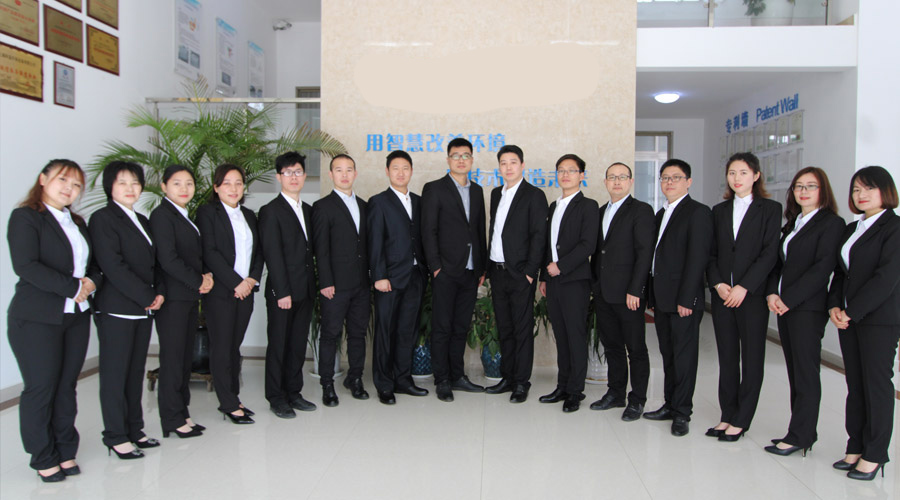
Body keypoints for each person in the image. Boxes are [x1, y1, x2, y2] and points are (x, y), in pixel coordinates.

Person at [7, 160, 101, 481]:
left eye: (76, 185)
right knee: (41, 388)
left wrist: (91, 282)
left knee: (66, 387)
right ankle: (42, 456)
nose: (69, 189)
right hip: (37, 318)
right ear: (43, 179)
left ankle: (65, 449)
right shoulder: (26, 217)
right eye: (63, 180)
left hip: (76, 316)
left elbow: (94, 264)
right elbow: (26, 265)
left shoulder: (77, 222)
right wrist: (74, 287)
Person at [763, 167, 843, 457]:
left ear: (823, 191)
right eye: (798, 186)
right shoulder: (793, 223)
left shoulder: (831, 223)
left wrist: (788, 299)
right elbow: (778, 264)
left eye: (811, 186)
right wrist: (772, 293)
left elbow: (822, 269)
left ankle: (802, 435)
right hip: (785, 307)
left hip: (807, 309)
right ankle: (798, 431)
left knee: (806, 374)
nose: (803, 191)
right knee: (796, 372)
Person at [828, 166, 900, 481]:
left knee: (877, 386)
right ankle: (855, 446)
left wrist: (852, 311)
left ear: (886, 191)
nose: (861, 195)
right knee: (855, 385)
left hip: (879, 321)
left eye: (869, 188)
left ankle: (875, 454)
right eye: (856, 189)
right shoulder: (852, 228)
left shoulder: (894, 228)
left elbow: (886, 279)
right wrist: (834, 305)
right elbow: (840, 274)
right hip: (850, 319)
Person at [89, 161, 164, 458]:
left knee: (134, 373)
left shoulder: (142, 220)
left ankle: (135, 429)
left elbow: (154, 263)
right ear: (110, 186)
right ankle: (115, 435)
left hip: (143, 310)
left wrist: (158, 293)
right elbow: (113, 266)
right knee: (114, 375)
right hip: (117, 309)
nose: (130, 188)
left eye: (135, 182)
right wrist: (148, 295)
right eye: (122, 182)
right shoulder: (103, 219)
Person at [706, 152, 781, 442]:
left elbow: (770, 253)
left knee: (751, 359)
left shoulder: (770, 209)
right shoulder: (719, 210)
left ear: (756, 176)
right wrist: (718, 284)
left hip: (751, 297)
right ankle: (727, 414)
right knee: (727, 358)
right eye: (732, 173)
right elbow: (711, 253)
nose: (737, 178)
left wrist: (744, 286)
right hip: (723, 296)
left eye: (743, 173)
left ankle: (742, 419)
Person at [643, 159, 713, 437]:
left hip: (683, 301)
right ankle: (670, 404)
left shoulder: (698, 212)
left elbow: (698, 259)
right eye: (664, 178)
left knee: (684, 358)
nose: (669, 182)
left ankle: (682, 413)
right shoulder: (661, 214)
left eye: (676, 177)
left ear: (689, 182)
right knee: (668, 355)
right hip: (662, 298)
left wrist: (688, 298)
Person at [421, 137, 488, 402]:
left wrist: (481, 267)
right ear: (448, 159)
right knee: (442, 326)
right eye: (456, 155)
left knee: (461, 326)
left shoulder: (477, 190)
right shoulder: (434, 189)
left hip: (470, 271)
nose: (461, 160)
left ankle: (457, 375)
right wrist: (436, 267)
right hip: (446, 270)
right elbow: (428, 230)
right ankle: (442, 379)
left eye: (466, 155)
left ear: (472, 160)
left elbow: (479, 230)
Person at [196, 164, 263, 424]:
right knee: (222, 347)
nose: (233, 188)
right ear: (216, 187)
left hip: (246, 292)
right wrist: (236, 283)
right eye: (227, 183)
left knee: (234, 347)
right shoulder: (207, 213)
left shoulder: (249, 215)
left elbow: (258, 251)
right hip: (221, 292)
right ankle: (227, 403)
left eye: (238, 183)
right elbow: (209, 252)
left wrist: (252, 279)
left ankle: (234, 397)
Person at [588, 162, 655, 421]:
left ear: (631, 181)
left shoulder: (641, 210)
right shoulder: (600, 211)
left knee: (635, 349)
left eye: (622, 177)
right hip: (604, 292)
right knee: (612, 346)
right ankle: (615, 393)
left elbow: (644, 253)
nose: (617, 181)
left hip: (629, 294)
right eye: (612, 177)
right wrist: (595, 285)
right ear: (605, 182)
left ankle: (637, 400)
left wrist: (636, 289)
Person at [150, 165, 212, 437]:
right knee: (173, 360)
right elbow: (168, 259)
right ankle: (172, 419)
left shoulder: (184, 215)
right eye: (177, 183)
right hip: (173, 300)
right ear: (164, 186)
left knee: (184, 359)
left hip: (186, 297)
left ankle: (182, 413)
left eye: (189, 183)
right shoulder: (162, 216)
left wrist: (204, 278)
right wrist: (199, 280)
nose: (184, 188)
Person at [484, 145, 548, 403]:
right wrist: (488, 268)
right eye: (503, 163)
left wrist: (531, 273)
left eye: (513, 162)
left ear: (522, 165)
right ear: (499, 167)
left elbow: (539, 236)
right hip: (498, 271)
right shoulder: (495, 194)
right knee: (505, 327)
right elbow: (494, 231)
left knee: (521, 330)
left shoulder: (534, 195)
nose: (508, 167)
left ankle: (522, 382)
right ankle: (508, 377)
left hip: (521, 273)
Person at [367, 150, 430, 405]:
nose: (401, 173)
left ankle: (403, 380)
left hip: (415, 276)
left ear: (411, 171)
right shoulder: (378, 202)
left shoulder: (419, 201)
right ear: (387, 171)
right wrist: (379, 276)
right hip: (389, 279)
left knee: (407, 330)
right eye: (396, 168)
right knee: (385, 332)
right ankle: (384, 384)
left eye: (405, 168)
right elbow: (375, 242)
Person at [258, 152, 317, 419]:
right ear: (279, 177)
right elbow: (273, 255)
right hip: (282, 292)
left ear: (304, 176)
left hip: (305, 290)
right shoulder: (270, 211)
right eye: (288, 172)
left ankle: (294, 392)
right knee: (279, 345)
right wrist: (282, 292)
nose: (294, 177)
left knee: (296, 344)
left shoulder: (308, 210)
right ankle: (276, 397)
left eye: (298, 172)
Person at [537, 154, 597, 412]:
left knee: (575, 335)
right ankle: (562, 385)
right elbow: (547, 245)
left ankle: (575, 391)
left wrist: (561, 266)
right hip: (553, 282)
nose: (565, 175)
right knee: (561, 335)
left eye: (571, 170)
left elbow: (587, 245)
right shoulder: (554, 206)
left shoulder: (588, 206)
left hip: (574, 281)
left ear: (581, 175)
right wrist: (544, 276)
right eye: (561, 170)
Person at [313, 154, 370, 406]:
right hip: (335, 285)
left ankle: (355, 378)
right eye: (339, 170)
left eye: (349, 170)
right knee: (330, 334)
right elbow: (321, 249)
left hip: (361, 284)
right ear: (331, 174)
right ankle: (327, 384)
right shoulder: (323, 207)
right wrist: (325, 281)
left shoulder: (365, 206)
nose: (344, 174)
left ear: (355, 174)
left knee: (358, 334)